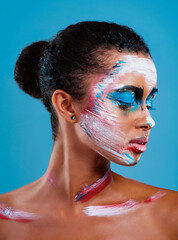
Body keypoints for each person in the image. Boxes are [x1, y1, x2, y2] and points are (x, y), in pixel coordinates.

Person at [0, 21, 177, 239]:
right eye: (126, 99)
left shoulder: (170, 215)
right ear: (66, 105)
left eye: (149, 103)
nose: (149, 121)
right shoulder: (5, 220)